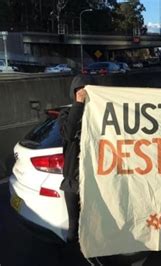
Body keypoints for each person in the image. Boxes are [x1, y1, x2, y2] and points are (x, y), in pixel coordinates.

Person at [59, 74, 92, 243]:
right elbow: (68, 133)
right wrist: (78, 105)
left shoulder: (99, 114)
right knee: (73, 230)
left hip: (95, 180)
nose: (83, 93)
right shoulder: (66, 113)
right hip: (74, 180)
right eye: (79, 91)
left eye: (86, 90)